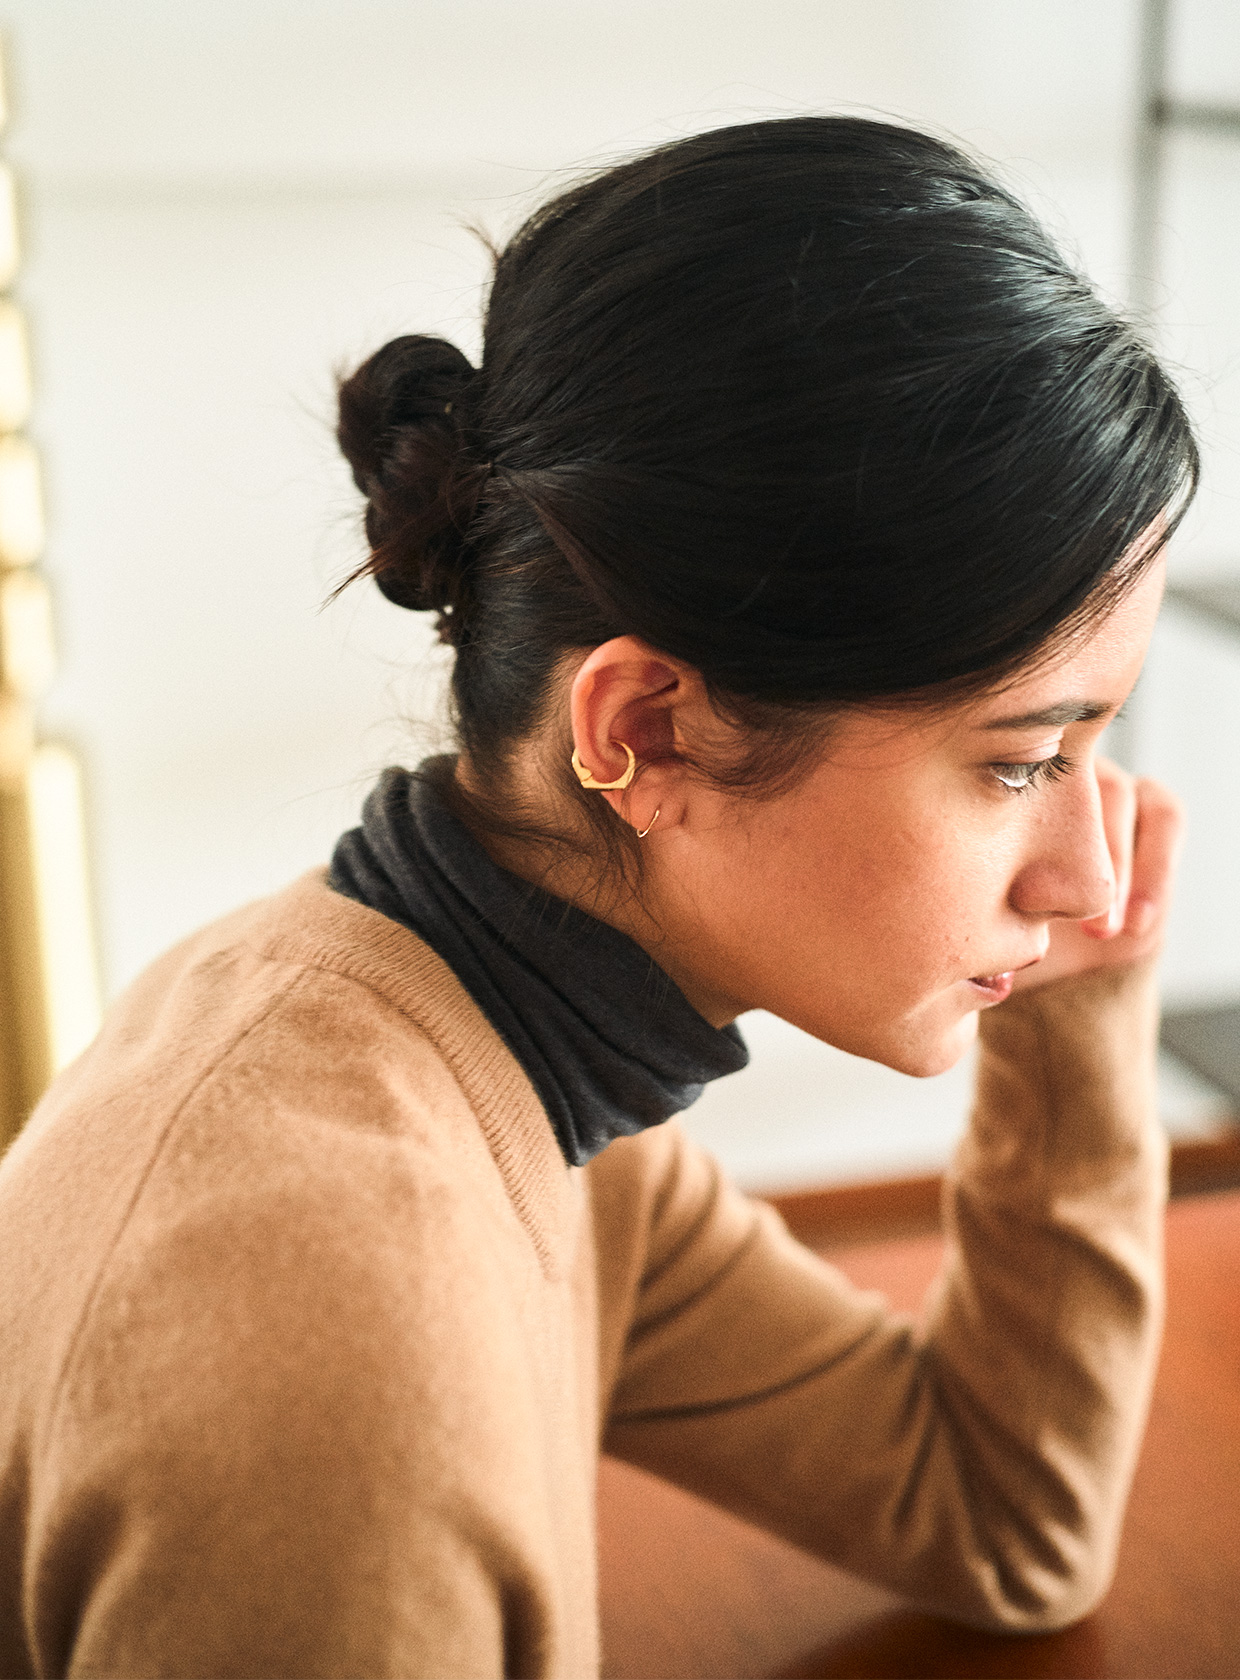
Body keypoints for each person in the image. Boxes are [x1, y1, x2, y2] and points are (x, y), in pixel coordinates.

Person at [0, 117, 1195, 1678]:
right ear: (647, 733)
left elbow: (1000, 1518)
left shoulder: (497, 1072)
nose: (1091, 871)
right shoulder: (339, 1339)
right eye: (1022, 761)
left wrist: (1073, 1017)